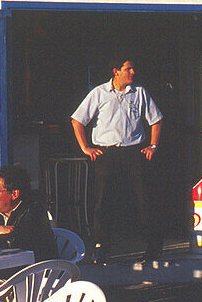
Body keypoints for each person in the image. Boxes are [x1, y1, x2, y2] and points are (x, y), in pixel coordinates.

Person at [70, 55, 164, 263]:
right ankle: (101, 247)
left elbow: (156, 120)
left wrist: (153, 145)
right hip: (106, 154)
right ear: (116, 71)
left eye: (132, 68)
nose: (132, 72)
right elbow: (77, 120)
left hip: (133, 153)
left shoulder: (139, 92)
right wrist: (85, 147)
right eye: (128, 69)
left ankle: (153, 247)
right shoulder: (99, 93)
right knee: (102, 202)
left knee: (143, 200)